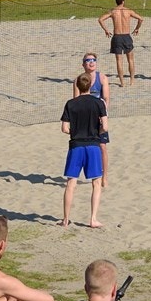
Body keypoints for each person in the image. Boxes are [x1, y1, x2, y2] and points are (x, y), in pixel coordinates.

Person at [60, 73, 108, 229]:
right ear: (90, 86)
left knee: (71, 183)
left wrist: (75, 132)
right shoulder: (99, 103)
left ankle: (66, 219)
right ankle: (93, 218)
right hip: (93, 145)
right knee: (96, 182)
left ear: (78, 86)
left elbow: (64, 128)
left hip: (76, 145)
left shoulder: (71, 104)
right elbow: (105, 127)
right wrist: (97, 131)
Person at [97, 0, 142, 87]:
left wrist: (106, 30)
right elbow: (141, 19)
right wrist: (137, 28)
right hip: (126, 36)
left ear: (116, 1)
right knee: (130, 59)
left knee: (119, 61)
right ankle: (132, 81)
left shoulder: (113, 11)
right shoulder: (128, 11)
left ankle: (122, 83)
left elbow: (100, 19)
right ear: (123, 1)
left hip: (117, 37)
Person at [79, 52, 111, 176]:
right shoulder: (79, 80)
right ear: (83, 64)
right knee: (85, 147)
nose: (92, 62)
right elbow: (76, 100)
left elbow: (106, 99)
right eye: (88, 60)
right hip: (85, 119)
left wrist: (102, 116)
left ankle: (105, 176)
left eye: (94, 60)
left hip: (99, 118)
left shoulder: (102, 78)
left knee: (102, 146)